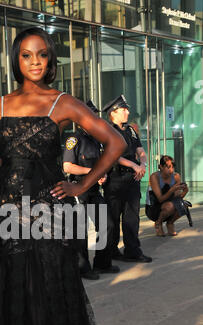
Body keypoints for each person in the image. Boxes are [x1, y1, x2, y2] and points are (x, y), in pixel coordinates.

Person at [0, 28, 151, 325]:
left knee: (54, 303)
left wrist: (82, 184)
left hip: (50, 218)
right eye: (26, 55)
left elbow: (112, 142)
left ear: (50, 59)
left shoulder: (63, 103)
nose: (35, 62)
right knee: (21, 304)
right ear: (16, 60)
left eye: (41, 54)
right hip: (10, 219)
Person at [63, 100, 120, 280]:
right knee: (80, 231)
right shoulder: (74, 139)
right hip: (78, 189)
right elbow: (67, 167)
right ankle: (83, 268)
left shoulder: (97, 140)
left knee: (108, 225)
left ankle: (102, 263)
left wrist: (102, 175)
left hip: (94, 189)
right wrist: (93, 172)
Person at [101, 94, 152, 263]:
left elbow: (140, 150)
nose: (127, 112)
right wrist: (134, 165)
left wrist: (143, 164)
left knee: (132, 217)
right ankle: (111, 251)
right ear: (113, 112)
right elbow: (111, 155)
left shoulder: (130, 130)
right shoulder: (108, 130)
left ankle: (132, 251)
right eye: (124, 109)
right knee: (113, 218)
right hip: (115, 179)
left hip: (132, 179)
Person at [146, 155, 189, 236]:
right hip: (153, 207)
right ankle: (158, 223)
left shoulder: (176, 176)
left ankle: (170, 223)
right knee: (170, 206)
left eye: (173, 167)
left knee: (184, 205)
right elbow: (160, 199)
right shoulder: (154, 177)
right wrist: (172, 189)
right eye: (168, 167)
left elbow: (177, 198)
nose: (171, 170)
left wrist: (185, 191)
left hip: (168, 204)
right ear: (161, 167)